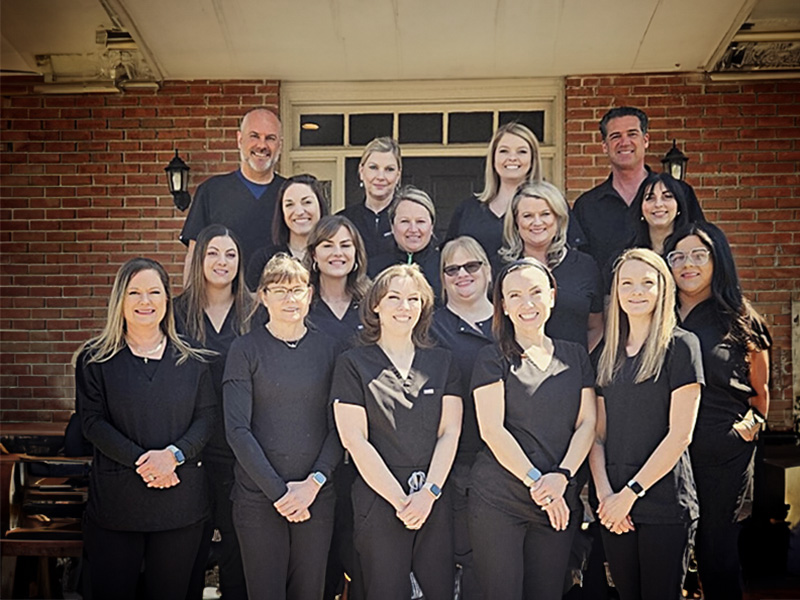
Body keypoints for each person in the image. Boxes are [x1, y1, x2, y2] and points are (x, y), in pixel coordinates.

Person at [74, 258, 216, 600]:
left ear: (167, 300)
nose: (145, 301)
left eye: (154, 292)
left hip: (180, 505)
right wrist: (147, 462)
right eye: (134, 292)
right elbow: (92, 422)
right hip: (117, 505)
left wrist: (173, 456)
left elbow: (207, 418)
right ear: (119, 299)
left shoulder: (192, 360)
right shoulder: (94, 359)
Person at [468, 258, 597, 600]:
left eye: (536, 292)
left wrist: (562, 477)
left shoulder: (575, 356)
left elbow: (587, 423)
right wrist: (539, 483)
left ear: (552, 297)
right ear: (504, 306)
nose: (528, 303)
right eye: (516, 295)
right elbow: (492, 430)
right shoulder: (491, 357)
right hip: (500, 499)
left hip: (558, 497)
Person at [332, 264, 462, 600]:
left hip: (433, 498)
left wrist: (428, 493)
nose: (405, 307)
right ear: (376, 304)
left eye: (413, 299)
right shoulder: (352, 363)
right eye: (394, 298)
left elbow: (450, 431)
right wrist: (401, 501)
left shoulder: (443, 362)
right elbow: (354, 440)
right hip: (379, 499)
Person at [589, 248, 704, 600]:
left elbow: (680, 435)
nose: (636, 291)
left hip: (664, 503)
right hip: (614, 506)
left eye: (646, 283)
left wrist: (630, 495)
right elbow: (596, 434)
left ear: (662, 289)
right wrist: (607, 495)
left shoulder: (682, 347)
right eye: (627, 283)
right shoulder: (605, 353)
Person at [664, 222, 771, 600]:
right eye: (678, 256)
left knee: (718, 555)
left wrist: (751, 425)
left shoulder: (740, 316)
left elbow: (761, 390)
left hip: (722, 456)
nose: (687, 264)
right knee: (669, 557)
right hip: (664, 455)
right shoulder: (659, 314)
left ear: (717, 260)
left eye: (698, 255)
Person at [174, 225, 252, 600]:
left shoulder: (255, 309)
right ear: (199, 259)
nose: (223, 262)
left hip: (240, 446)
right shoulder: (174, 312)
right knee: (189, 544)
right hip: (187, 446)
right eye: (214, 254)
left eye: (231, 254)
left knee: (239, 542)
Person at [302, 215, 370, 599]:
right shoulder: (300, 303)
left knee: (360, 555)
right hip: (313, 444)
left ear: (357, 253)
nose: (337, 253)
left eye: (345, 245)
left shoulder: (371, 304)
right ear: (313, 254)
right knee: (321, 562)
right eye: (327, 245)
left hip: (364, 451)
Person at [430, 236, 495, 599]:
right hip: (450, 463)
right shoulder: (430, 327)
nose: (462, 275)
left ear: (487, 270)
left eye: (471, 266)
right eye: (452, 269)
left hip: (507, 463)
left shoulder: (513, 319)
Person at [572, 106, 704, 273]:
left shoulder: (680, 194)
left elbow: (701, 250)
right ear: (605, 146)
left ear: (646, 140)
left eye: (632, 134)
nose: (625, 142)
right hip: (609, 298)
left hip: (674, 296)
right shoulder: (586, 206)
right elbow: (582, 266)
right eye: (615, 136)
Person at [180, 107, 286, 285]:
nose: (262, 145)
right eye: (254, 136)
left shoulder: (291, 195)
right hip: (224, 305)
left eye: (270, 138)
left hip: (281, 303)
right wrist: (190, 307)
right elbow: (194, 256)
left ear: (280, 145)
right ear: (239, 139)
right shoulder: (211, 191)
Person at [499, 181, 604, 351]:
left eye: (545, 214)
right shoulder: (503, 268)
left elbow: (596, 326)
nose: (537, 222)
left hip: (573, 373)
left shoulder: (585, 266)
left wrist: (577, 359)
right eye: (528, 216)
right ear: (516, 222)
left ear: (558, 218)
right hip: (517, 372)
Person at [445, 123, 542, 263]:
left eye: (522, 151)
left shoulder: (551, 207)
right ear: (493, 158)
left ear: (533, 159)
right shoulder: (467, 210)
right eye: (504, 151)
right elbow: (449, 259)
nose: (512, 158)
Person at [246, 174, 330, 291]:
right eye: (289, 204)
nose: (299, 211)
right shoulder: (264, 260)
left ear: (320, 206)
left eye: (306, 202)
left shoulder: (334, 256)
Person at [368, 186, 442, 301]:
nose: (413, 229)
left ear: (431, 226)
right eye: (405, 221)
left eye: (420, 221)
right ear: (392, 226)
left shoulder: (446, 267)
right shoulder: (373, 269)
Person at [338, 137, 403, 259]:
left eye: (389, 169)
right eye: (373, 168)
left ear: (398, 175)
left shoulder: (411, 221)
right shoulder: (344, 220)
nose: (380, 176)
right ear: (361, 171)